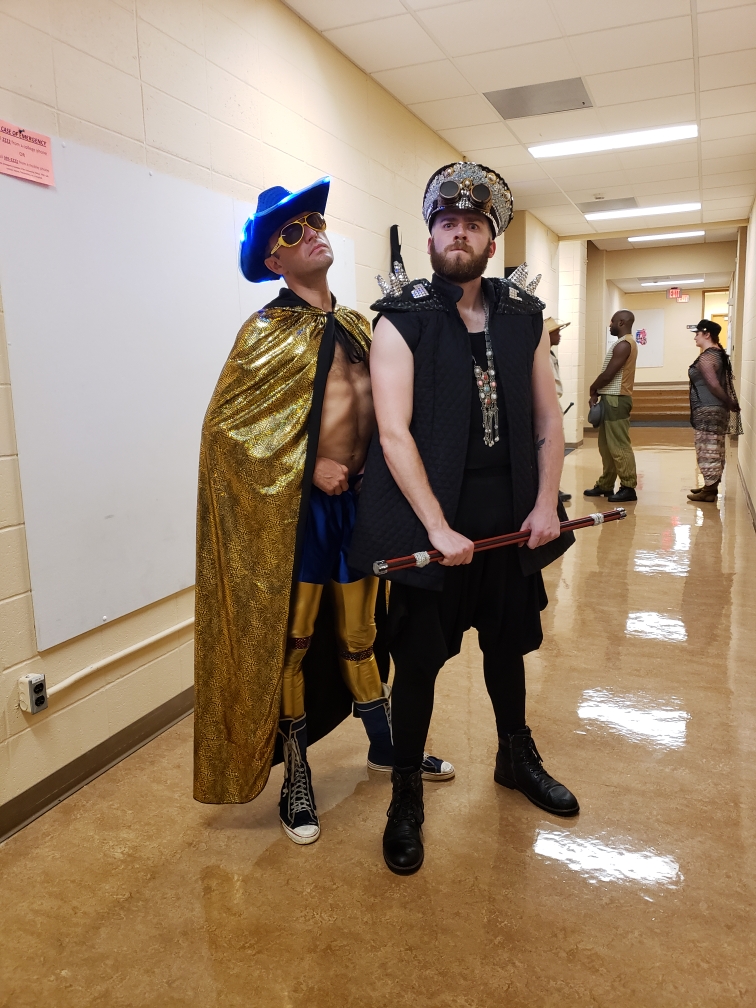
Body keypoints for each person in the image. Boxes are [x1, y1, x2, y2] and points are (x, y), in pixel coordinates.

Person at [194, 177, 452, 847]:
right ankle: (297, 776)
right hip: (297, 519)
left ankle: (385, 745)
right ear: (272, 261)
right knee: (297, 643)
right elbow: (226, 436)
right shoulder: (265, 334)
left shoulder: (362, 326)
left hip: (362, 515)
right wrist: (311, 466)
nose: (311, 231)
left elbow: (401, 412)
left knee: (365, 636)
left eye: (313, 220)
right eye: (290, 231)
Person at [349, 162, 578, 876]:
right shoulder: (403, 318)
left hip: (509, 515)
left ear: (490, 238)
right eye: (448, 224)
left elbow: (546, 417)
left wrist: (545, 504)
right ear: (430, 237)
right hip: (432, 525)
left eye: (473, 225)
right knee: (418, 666)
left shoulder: (521, 316)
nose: (459, 234)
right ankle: (406, 794)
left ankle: (515, 753)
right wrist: (438, 528)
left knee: (506, 648)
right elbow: (393, 434)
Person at [584, 310, 638, 503]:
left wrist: (593, 388)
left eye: (612, 322)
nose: (610, 325)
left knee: (619, 445)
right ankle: (606, 484)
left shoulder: (624, 344)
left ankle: (628, 486)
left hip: (617, 399)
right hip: (610, 397)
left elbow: (609, 374)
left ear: (622, 322)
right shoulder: (621, 343)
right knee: (606, 446)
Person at [687, 319, 741, 503]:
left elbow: (713, 384)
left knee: (707, 448)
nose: (695, 337)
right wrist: (728, 403)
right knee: (715, 447)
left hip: (708, 409)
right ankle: (710, 486)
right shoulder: (719, 354)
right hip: (716, 410)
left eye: (697, 333)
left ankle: (709, 490)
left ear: (707, 334)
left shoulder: (708, 357)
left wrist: (729, 401)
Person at [546, 316, 571, 503]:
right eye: (556, 332)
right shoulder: (542, 356)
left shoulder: (551, 354)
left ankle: (554, 487)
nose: (559, 335)